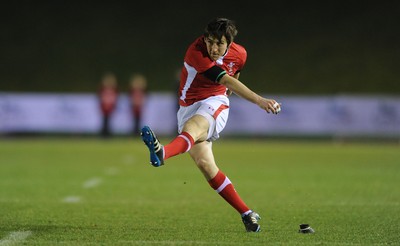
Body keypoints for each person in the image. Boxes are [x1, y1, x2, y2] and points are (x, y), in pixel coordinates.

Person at [140, 17, 281, 232]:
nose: (213, 48)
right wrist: (256, 98)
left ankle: (162, 154)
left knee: (193, 129)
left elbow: (232, 76)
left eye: (219, 43)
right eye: (210, 41)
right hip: (187, 107)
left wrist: (257, 99)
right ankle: (246, 214)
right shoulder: (196, 51)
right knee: (206, 166)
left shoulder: (240, 53)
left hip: (215, 102)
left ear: (229, 43)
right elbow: (226, 78)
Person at [98, 72, 118, 138]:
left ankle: (106, 133)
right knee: (105, 120)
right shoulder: (103, 89)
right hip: (105, 106)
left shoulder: (112, 90)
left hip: (109, 106)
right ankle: (104, 133)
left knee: (108, 120)